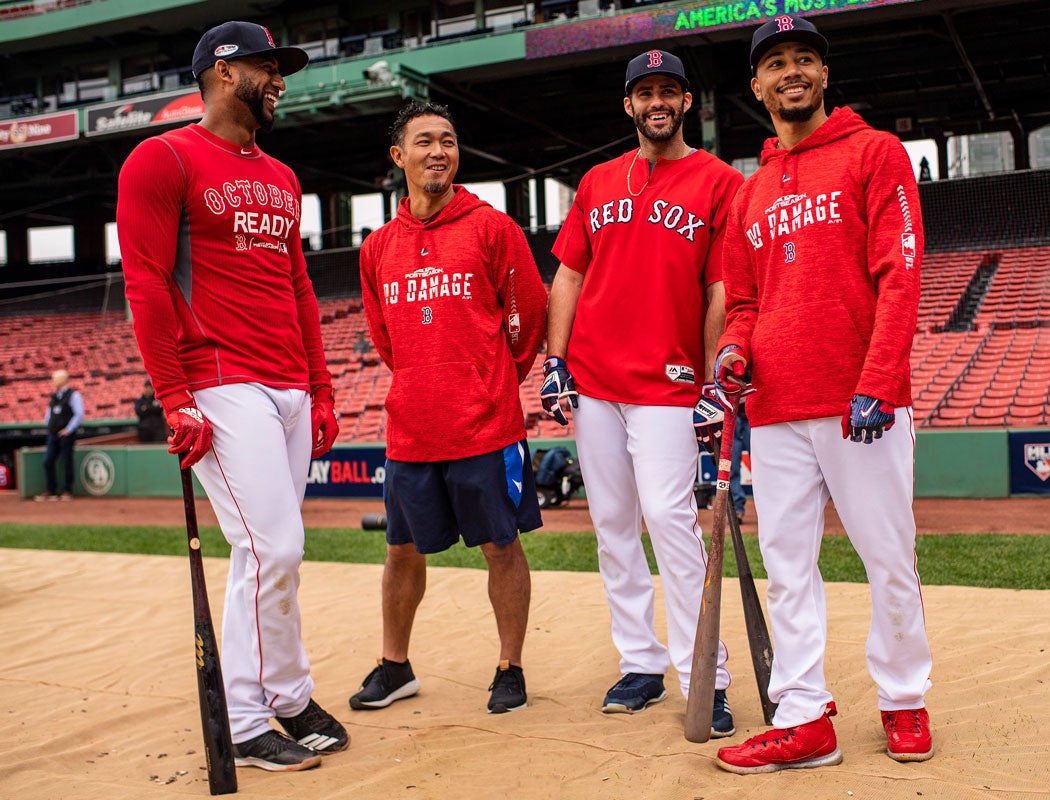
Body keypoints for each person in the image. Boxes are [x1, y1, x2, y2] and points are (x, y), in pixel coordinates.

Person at [117, 21, 347, 773]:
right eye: (267, 67)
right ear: (221, 72)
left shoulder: (281, 177)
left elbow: (301, 287)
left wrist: (319, 385)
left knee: (283, 552)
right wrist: (173, 397)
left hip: (285, 382)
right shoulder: (162, 157)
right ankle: (247, 720)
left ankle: (288, 695)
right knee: (269, 545)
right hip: (219, 382)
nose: (280, 79)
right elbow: (147, 280)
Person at [712, 17, 932, 774]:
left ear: (825, 75)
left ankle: (904, 697)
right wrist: (734, 350)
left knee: (887, 555)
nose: (792, 71)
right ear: (757, 86)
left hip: (858, 402)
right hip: (774, 406)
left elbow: (901, 275)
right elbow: (742, 301)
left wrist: (878, 381)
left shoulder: (875, 153)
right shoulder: (751, 190)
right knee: (787, 565)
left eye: (806, 58)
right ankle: (804, 715)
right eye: (776, 63)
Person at [541, 50, 744, 738]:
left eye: (669, 91)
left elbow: (720, 288)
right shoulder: (598, 182)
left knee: (669, 518)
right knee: (613, 527)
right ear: (627, 106)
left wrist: (716, 372)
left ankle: (705, 675)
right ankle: (641, 661)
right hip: (595, 382)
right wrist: (555, 359)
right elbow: (567, 275)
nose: (657, 102)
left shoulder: (718, 181)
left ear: (687, 102)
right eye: (644, 92)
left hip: (668, 382)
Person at [352, 101, 548, 715]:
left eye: (449, 141)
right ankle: (395, 665)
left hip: (486, 426)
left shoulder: (492, 228)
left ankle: (509, 668)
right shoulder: (379, 246)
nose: (438, 151)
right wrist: (426, 379)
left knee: (501, 545)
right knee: (400, 552)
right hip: (411, 429)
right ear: (398, 157)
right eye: (425, 141)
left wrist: (488, 379)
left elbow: (528, 316)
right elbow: (384, 335)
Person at [38, 369, 84, 501]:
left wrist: (68, 429)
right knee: (48, 461)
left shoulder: (73, 395)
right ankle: (51, 489)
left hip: (66, 434)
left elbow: (79, 413)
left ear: (63, 380)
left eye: (54, 378)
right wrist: (48, 425)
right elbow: (49, 414)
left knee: (66, 461)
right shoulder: (54, 397)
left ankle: (67, 490)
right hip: (53, 434)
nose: (53, 381)